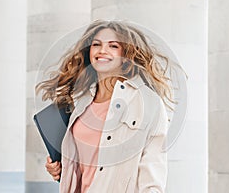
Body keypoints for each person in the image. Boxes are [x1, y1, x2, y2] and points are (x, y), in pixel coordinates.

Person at [36, 20, 174, 193]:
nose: (102, 51)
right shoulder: (80, 101)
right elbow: (85, 165)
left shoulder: (147, 102)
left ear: (127, 53)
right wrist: (61, 168)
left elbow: (153, 167)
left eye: (113, 46)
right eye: (96, 44)